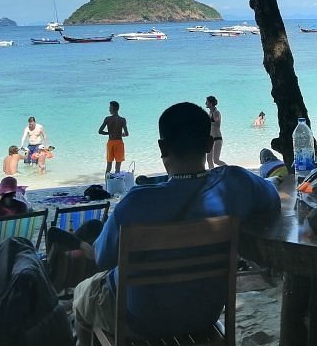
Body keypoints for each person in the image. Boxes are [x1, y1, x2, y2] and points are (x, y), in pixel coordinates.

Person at [71, 102, 281, 345]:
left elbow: (103, 259)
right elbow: (273, 200)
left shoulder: (135, 203)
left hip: (139, 321)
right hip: (204, 315)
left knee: (82, 296)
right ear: (209, 145)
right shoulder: (238, 183)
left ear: (162, 147)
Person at [98, 101, 129, 174]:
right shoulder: (122, 120)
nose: (109, 109)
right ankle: (117, 179)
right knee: (118, 166)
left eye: (110, 108)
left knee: (108, 165)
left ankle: (107, 181)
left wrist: (109, 133)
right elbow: (127, 133)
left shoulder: (107, 119)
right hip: (119, 143)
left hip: (110, 143)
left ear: (113, 108)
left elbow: (100, 131)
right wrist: (122, 134)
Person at [205, 95, 226, 169]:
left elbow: (217, 124)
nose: (205, 103)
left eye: (207, 102)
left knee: (216, 160)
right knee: (209, 159)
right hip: (210, 139)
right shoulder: (210, 113)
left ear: (211, 103)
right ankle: (212, 172)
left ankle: (228, 169)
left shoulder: (216, 113)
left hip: (217, 138)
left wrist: (208, 122)